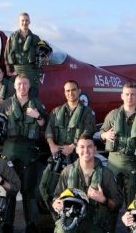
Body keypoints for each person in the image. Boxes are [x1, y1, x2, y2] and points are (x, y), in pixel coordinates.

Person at [49, 134, 122, 233]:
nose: (86, 150)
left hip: (96, 224)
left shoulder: (106, 174)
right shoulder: (67, 172)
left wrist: (103, 200)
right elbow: (56, 196)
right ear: (76, 150)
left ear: (95, 149)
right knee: (62, 230)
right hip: (73, 220)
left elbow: (117, 204)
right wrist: (56, 203)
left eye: (90, 146)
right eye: (82, 147)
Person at [99, 82, 136, 233]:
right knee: (111, 203)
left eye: (133, 94)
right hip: (114, 164)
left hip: (134, 166)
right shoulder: (113, 115)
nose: (129, 97)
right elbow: (100, 133)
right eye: (127, 94)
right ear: (122, 96)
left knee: (133, 205)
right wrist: (105, 134)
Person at [0, 74, 46, 233]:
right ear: (15, 86)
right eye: (19, 84)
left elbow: (44, 125)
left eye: (25, 84)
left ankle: (31, 224)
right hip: (10, 150)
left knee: (29, 190)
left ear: (29, 86)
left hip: (29, 151)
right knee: (9, 189)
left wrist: (37, 116)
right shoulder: (5, 105)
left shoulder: (37, 103)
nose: (22, 87)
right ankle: (6, 223)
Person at [41, 80, 96, 208]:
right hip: (58, 155)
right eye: (67, 91)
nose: (70, 93)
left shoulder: (87, 112)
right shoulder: (56, 111)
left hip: (77, 156)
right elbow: (49, 130)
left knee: (76, 187)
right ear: (64, 93)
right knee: (48, 186)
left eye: (73, 90)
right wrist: (52, 145)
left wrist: (72, 146)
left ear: (79, 91)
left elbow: (89, 130)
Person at [4, 12, 42, 98]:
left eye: (27, 20)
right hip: (16, 71)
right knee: (14, 97)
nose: (24, 22)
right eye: (22, 20)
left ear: (29, 22)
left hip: (31, 72)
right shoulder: (12, 38)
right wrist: (8, 71)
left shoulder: (36, 38)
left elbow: (42, 54)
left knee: (32, 96)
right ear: (19, 22)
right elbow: (6, 54)